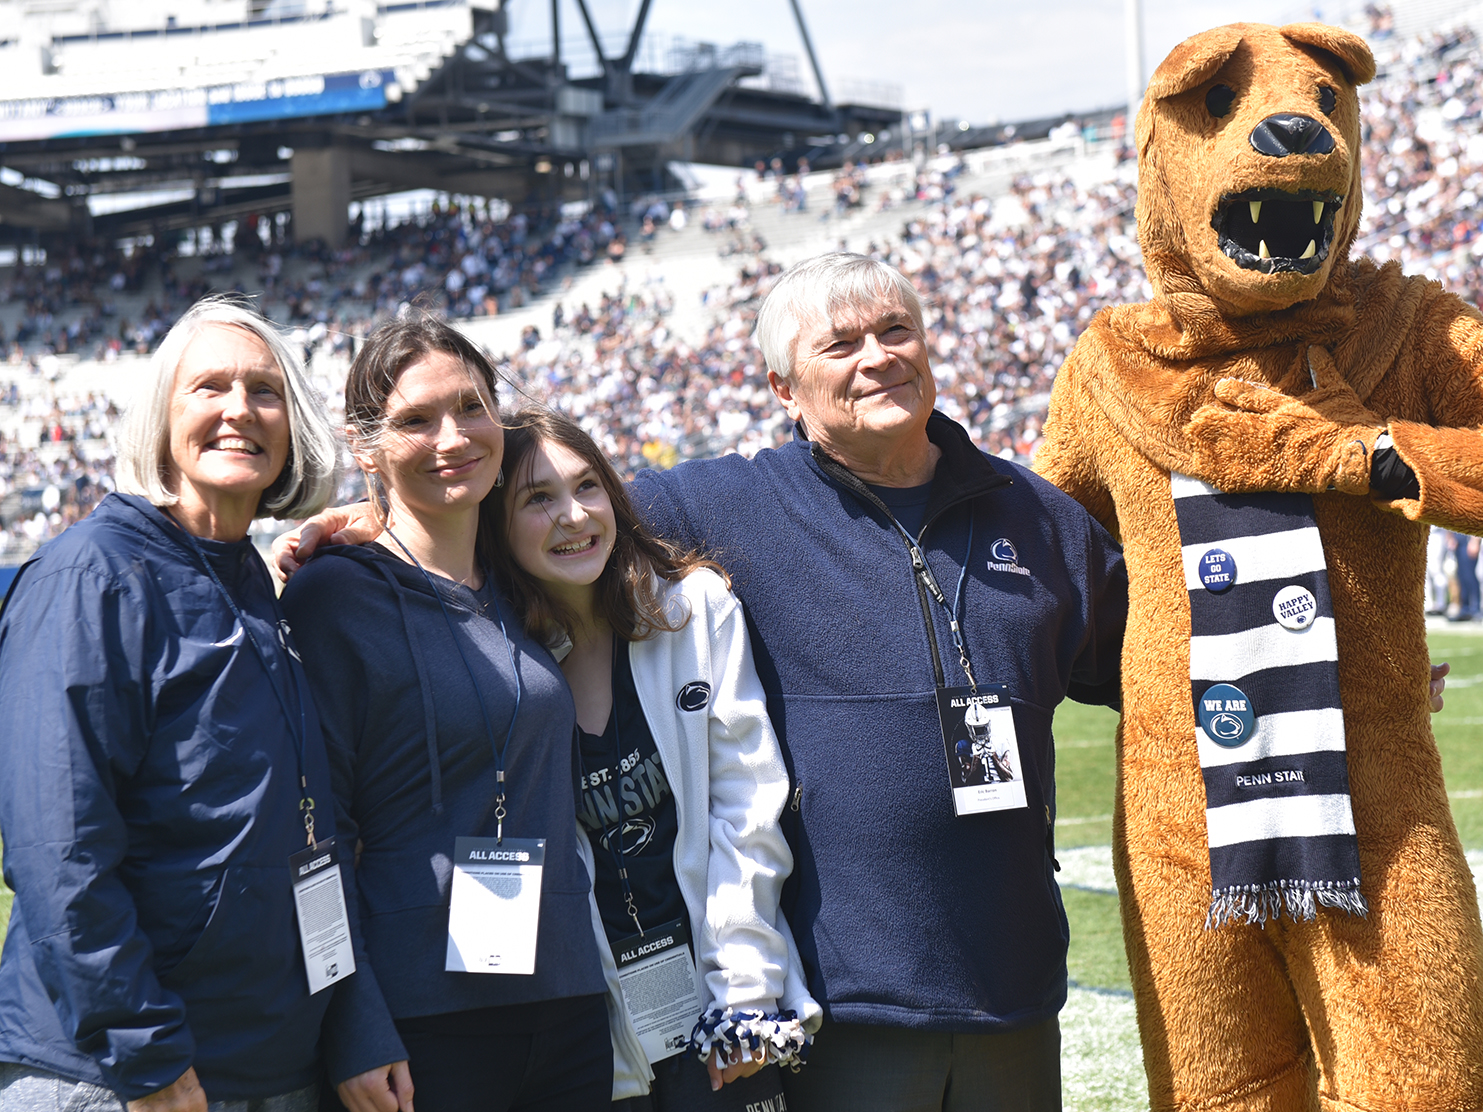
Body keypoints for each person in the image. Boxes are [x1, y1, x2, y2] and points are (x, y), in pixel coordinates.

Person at [276, 253, 1128, 1111]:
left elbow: (1145, 657)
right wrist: (380, 519)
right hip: (842, 992)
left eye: (895, 330)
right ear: (781, 388)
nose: (876, 357)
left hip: (1013, 981)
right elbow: (560, 514)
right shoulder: (734, 501)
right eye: (840, 344)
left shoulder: (1034, 512)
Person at [0, 298, 400, 1111]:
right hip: (124, 1079)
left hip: (270, 1067)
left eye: (264, 391)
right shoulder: (94, 578)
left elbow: (306, 831)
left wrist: (351, 1026)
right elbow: (57, 847)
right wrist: (143, 1053)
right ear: (160, 417)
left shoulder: (255, 579)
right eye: (209, 387)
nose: (238, 410)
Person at [279, 318, 611, 1112]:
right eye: (415, 420)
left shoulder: (525, 575)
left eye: (469, 408)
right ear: (365, 447)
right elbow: (315, 837)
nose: (451, 436)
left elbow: (627, 511)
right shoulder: (332, 596)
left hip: (564, 998)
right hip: (414, 1017)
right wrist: (352, 1026)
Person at [491, 409, 819, 1111]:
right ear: (497, 524)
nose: (573, 515)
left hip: (721, 1009)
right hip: (590, 1034)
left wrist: (744, 993)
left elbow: (748, 809)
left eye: (587, 486)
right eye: (537, 498)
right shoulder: (496, 660)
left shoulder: (693, 611)